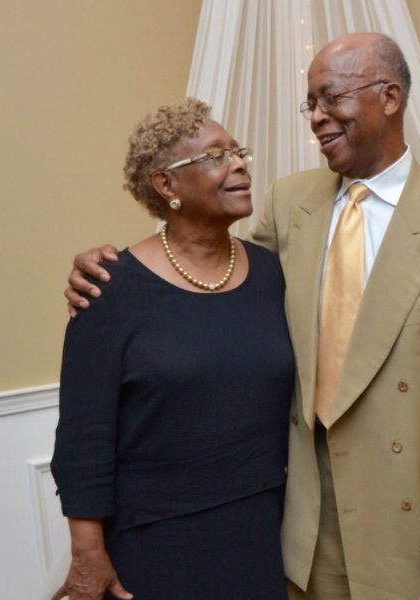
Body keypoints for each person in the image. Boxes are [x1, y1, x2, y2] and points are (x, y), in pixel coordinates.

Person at [66, 33, 420, 600]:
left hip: (412, 529)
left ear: (390, 96)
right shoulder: (287, 205)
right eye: (311, 104)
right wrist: (107, 267)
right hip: (298, 529)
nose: (318, 119)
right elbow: (211, 282)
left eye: (331, 99)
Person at [51, 98, 293, 600]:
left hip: (261, 531)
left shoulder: (270, 272)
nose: (240, 163)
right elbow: (83, 436)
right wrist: (87, 555)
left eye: (239, 152)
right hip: (155, 544)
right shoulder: (109, 287)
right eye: (216, 155)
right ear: (166, 185)